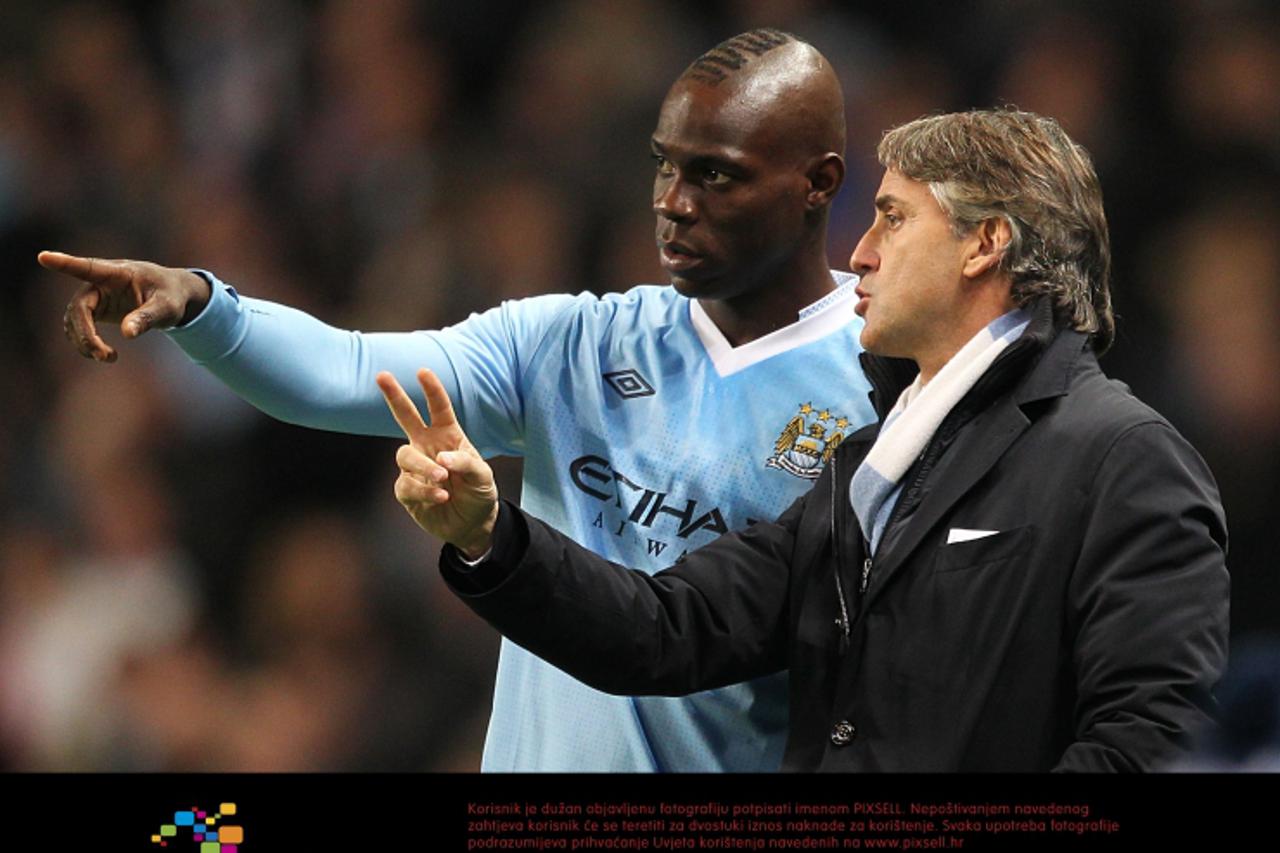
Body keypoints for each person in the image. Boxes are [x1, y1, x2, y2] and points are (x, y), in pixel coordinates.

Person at [40, 30, 877, 771]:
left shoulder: (885, 383)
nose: (671, 201)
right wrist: (200, 302)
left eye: (715, 175)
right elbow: (345, 370)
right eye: (665, 163)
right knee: (192, 833)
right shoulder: (577, 343)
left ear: (818, 183)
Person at [382, 108, 1230, 772]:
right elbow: (666, 626)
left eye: (892, 219)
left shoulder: (1121, 457)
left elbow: (1155, 737)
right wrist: (489, 538)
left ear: (986, 242)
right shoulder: (866, 467)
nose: (858, 253)